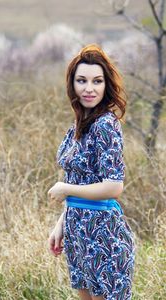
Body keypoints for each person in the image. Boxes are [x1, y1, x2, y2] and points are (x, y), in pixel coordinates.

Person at [47, 44, 135, 300]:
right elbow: (80, 178)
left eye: (97, 81)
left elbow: (114, 186)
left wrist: (65, 189)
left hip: (104, 236)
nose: (89, 88)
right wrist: (61, 224)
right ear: (71, 84)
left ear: (106, 85)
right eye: (81, 80)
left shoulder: (105, 125)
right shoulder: (78, 124)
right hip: (79, 234)